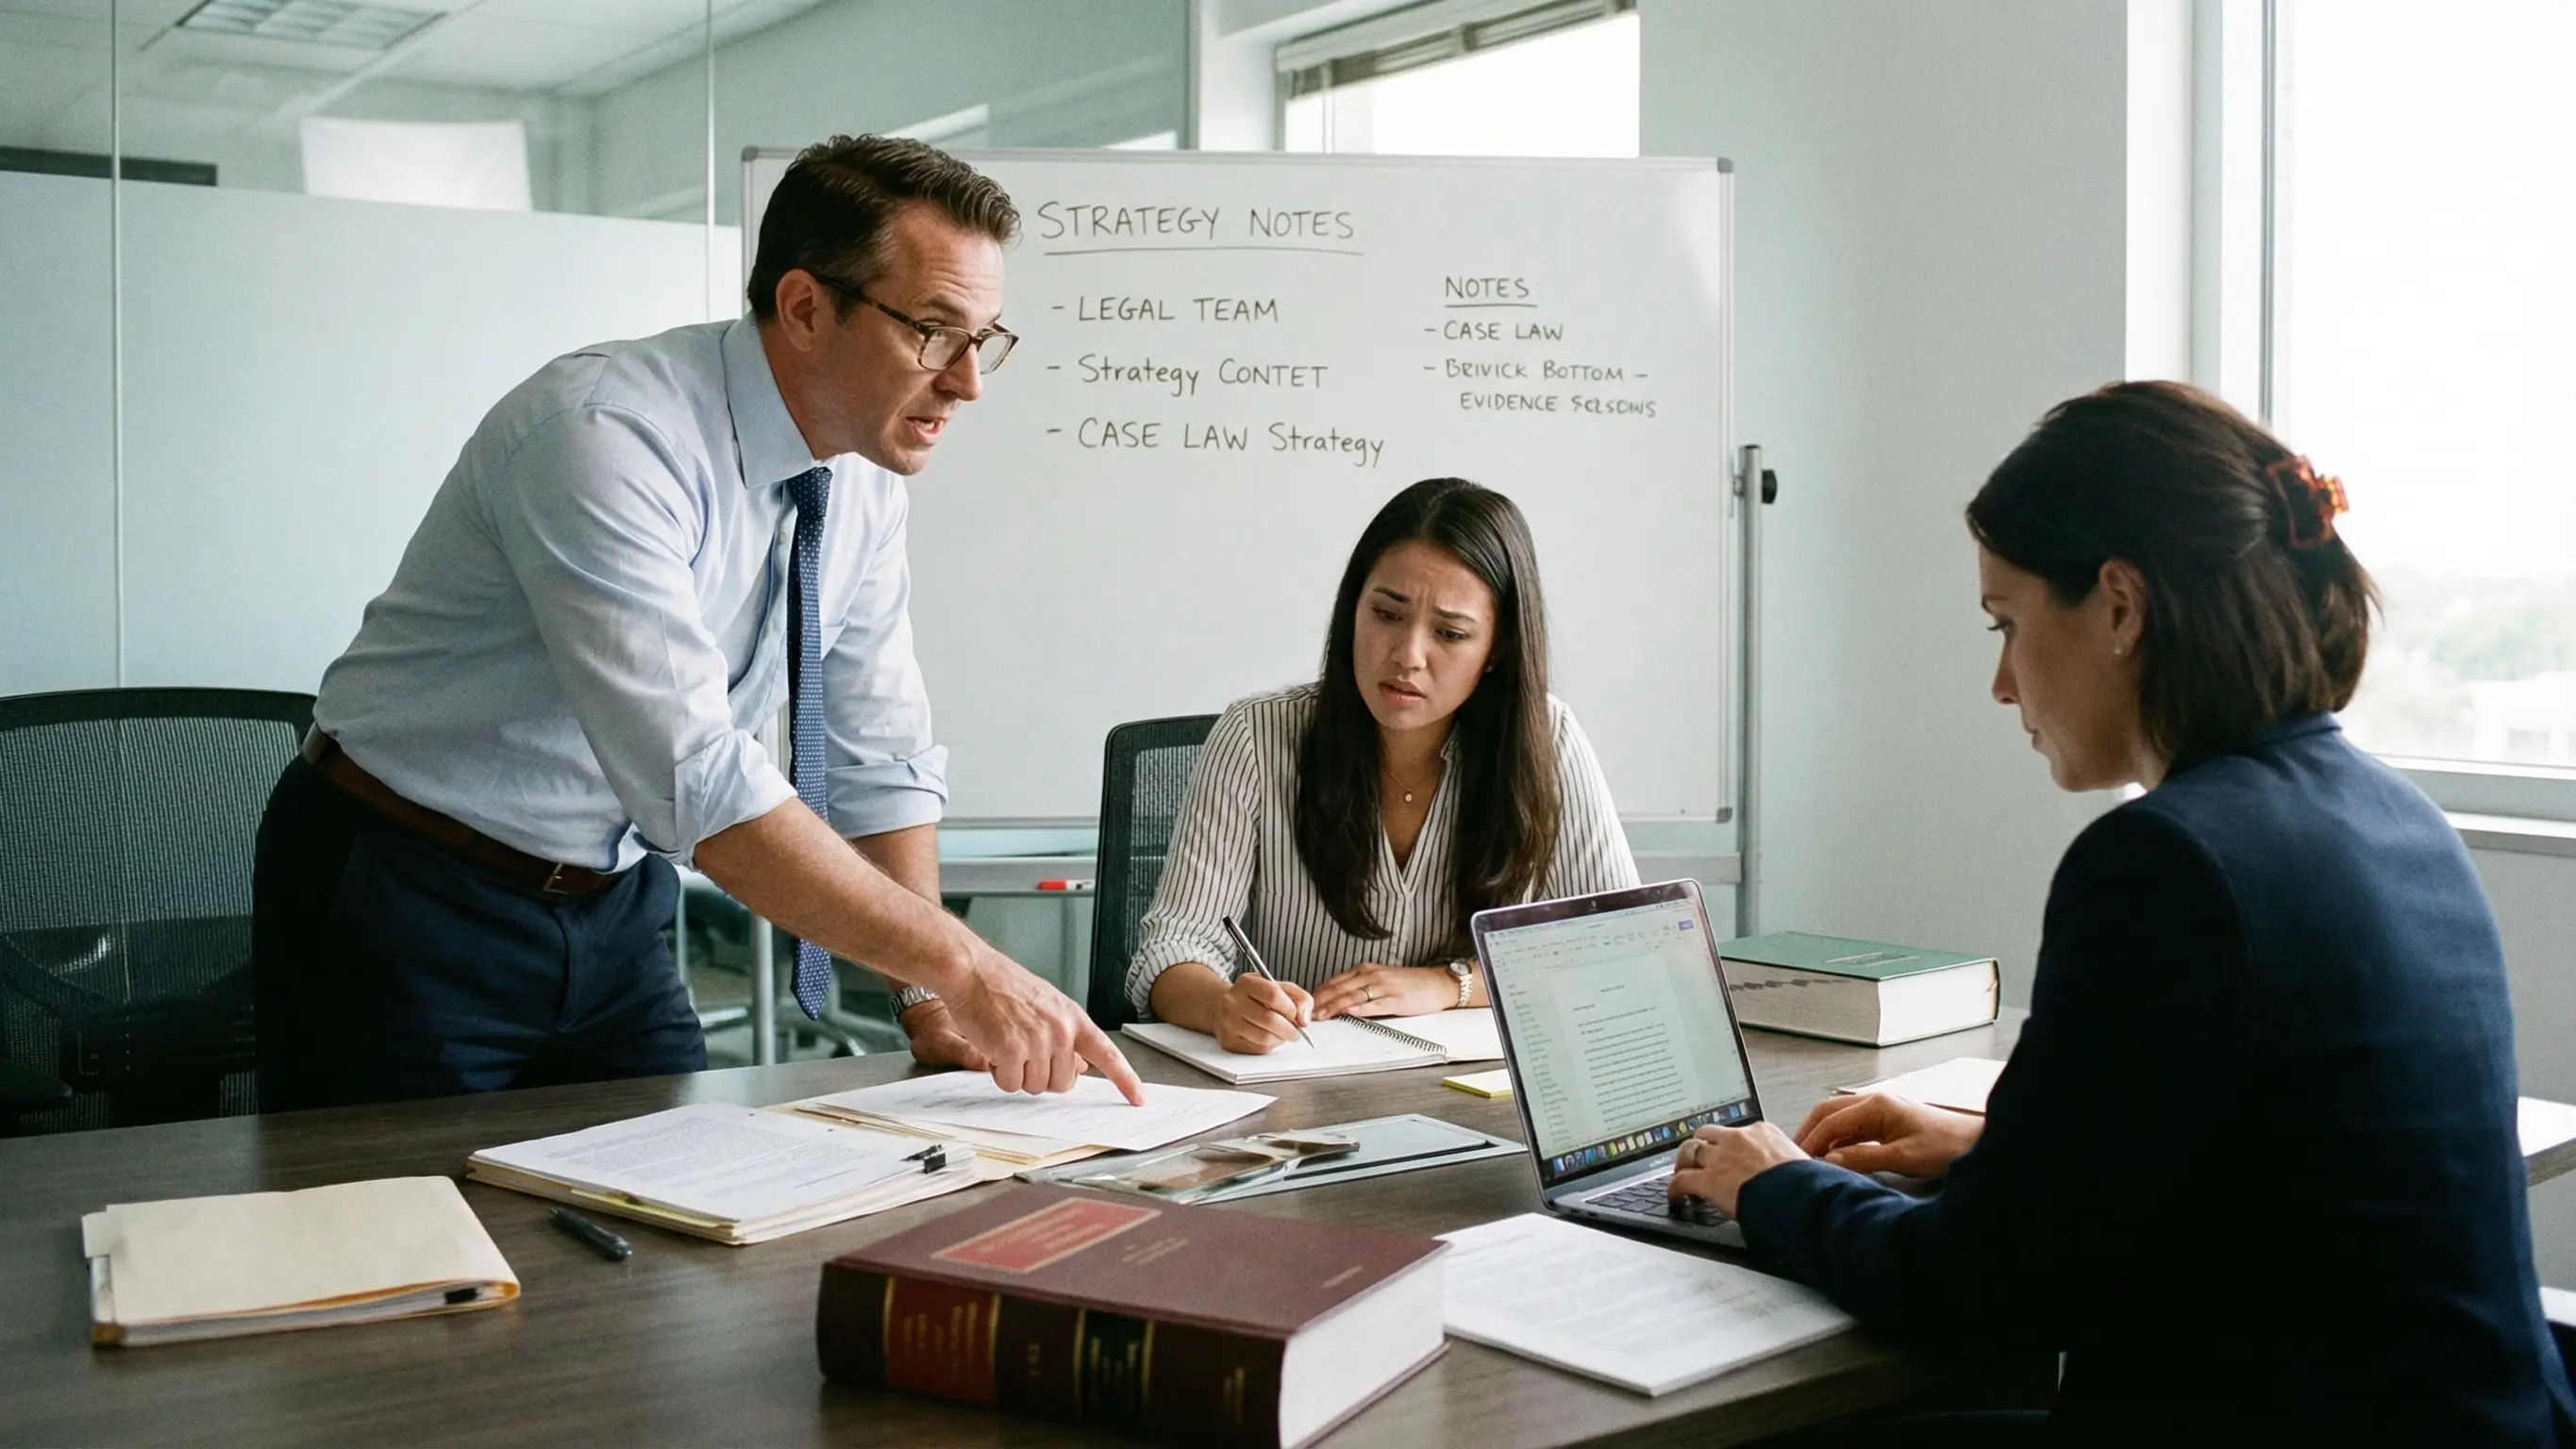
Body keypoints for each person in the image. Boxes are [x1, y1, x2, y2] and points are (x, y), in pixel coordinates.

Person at [1668, 381, 2576, 1442]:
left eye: (2007, 624)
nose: (2001, 683)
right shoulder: (2394, 816)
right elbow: (2266, 1169)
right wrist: (1991, 1151)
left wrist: (1773, 1183)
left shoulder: (2166, 862)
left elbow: (1976, 1292)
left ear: (2119, 607)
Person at [252, 136, 1139, 1109]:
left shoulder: (860, 479)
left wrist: (925, 992)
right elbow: (698, 777)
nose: (968, 382)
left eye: (983, 339)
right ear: (805, 308)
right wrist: (969, 964)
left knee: (667, 1183)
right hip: (407, 887)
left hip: (613, 900)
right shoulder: (604, 435)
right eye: (933, 332)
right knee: (401, 1204)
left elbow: (878, 758)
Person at [1129, 477, 1638, 1052]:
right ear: (1353, 609)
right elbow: (1172, 948)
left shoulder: (1548, 739)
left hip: (1475, 1083)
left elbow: (1620, 945)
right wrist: (1223, 1007)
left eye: (1450, 633)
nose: (1407, 655)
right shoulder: (1256, 736)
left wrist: (1451, 984)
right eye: (1387, 615)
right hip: (1303, 1083)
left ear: (1496, 648)